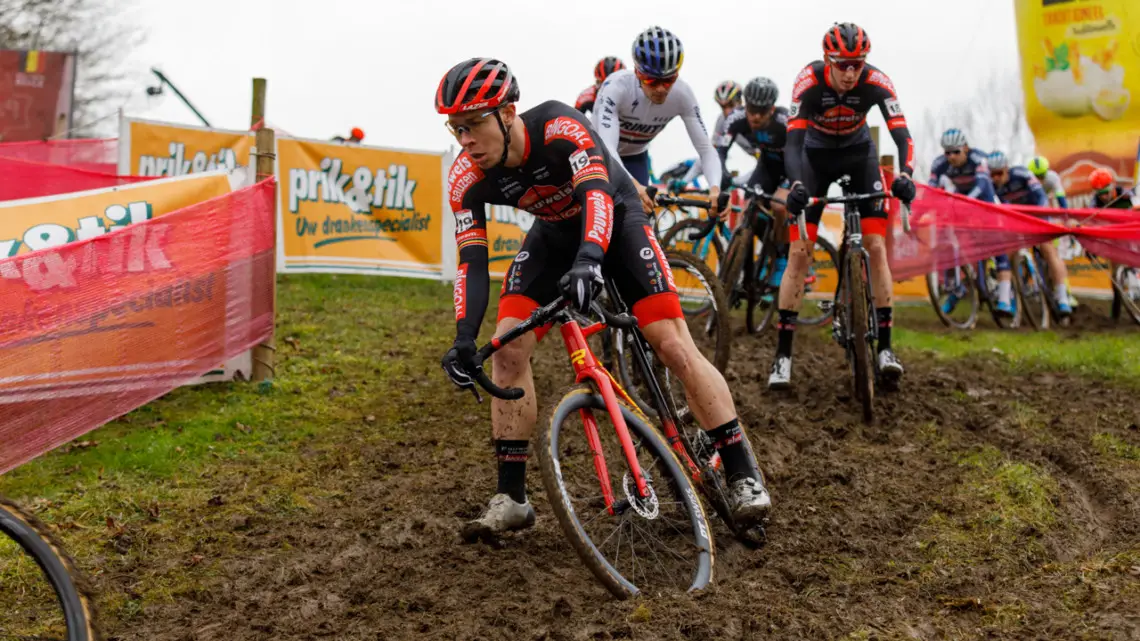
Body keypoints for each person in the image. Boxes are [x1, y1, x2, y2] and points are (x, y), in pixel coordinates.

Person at [435, 57, 771, 539]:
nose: (464, 140)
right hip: (554, 235)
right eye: (455, 128)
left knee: (671, 343)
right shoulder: (466, 177)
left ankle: (741, 472)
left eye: (472, 125)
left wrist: (590, 260)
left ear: (508, 114)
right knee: (506, 347)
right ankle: (511, 497)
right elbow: (471, 261)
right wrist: (464, 336)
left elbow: (596, 196)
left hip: (615, 220)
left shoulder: (559, 125)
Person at [770, 22, 915, 390]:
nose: (851, 73)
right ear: (827, 60)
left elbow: (902, 134)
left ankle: (885, 349)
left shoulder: (877, 81)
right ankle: (782, 356)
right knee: (799, 253)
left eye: (858, 64)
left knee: (877, 247)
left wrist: (907, 173)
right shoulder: (808, 81)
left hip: (859, 155)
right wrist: (797, 184)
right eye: (842, 64)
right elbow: (792, 144)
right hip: (814, 158)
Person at [594, 26, 723, 218]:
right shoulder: (617, 87)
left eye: (669, 80)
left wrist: (715, 190)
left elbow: (706, 149)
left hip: (635, 158)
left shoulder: (683, 95)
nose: (661, 89)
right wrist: (634, 186)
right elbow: (607, 148)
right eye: (652, 81)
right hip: (598, 155)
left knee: (640, 220)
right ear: (637, 72)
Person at [714, 77, 791, 292]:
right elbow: (719, 151)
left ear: (772, 108)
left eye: (762, 111)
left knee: (779, 206)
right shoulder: (736, 119)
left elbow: (801, 154)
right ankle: (746, 275)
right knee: (746, 214)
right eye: (752, 110)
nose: (756, 116)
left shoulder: (784, 121)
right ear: (745, 105)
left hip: (792, 166)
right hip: (767, 166)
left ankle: (781, 259)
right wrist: (723, 175)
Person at [926, 129, 1016, 315]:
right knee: (945, 239)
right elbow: (931, 188)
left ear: (965, 148)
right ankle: (955, 287)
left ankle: (1005, 298)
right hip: (962, 205)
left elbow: (982, 186)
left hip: (985, 203)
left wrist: (966, 202)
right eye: (947, 152)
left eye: (956, 152)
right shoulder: (939, 164)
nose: (951, 156)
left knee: (997, 248)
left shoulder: (979, 158)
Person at [987, 151, 1072, 316]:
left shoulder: (1021, 174)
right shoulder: (991, 184)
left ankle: (1063, 298)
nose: (996, 178)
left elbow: (1041, 197)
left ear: (1006, 169)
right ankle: (1006, 297)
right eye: (992, 174)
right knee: (1006, 253)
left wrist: (1041, 217)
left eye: (999, 173)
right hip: (1018, 217)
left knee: (1048, 250)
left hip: (1038, 212)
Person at [1027, 154, 1078, 308]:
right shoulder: (1025, 180)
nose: (1040, 179)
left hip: (1044, 212)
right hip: (1029, 211)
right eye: (1036, 176)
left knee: (1053, 253)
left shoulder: (1053, 178)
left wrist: (1066, 218)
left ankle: (1066, 293)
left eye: (1042, 176)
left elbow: (1061, 200)